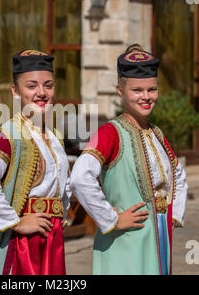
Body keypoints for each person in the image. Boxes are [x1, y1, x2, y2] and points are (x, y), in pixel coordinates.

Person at [69, 44, 188, 275]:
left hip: (158, 234)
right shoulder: (109, 133)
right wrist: (112, 219)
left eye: (152, 89)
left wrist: (173, 214)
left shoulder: (157, 134)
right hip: (125, 238)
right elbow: (79, 178)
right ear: (120, 90)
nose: (146, 97)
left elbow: (178, 176)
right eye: (137, 90)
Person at [0, 49, 71, 275]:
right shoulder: (8, 134)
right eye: (31, 86)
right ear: (15, 91)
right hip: (24, 243)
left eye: (48, 85)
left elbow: (63, 186)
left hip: (52, 236)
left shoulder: (55, 135)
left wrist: (61, 216)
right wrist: (16, 222)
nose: (41, 92)